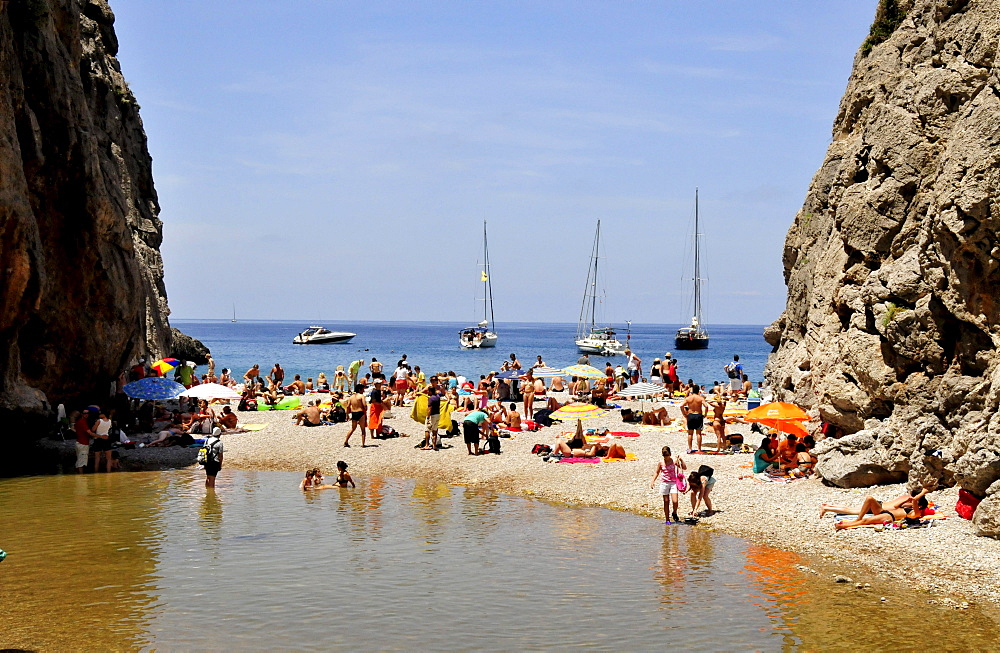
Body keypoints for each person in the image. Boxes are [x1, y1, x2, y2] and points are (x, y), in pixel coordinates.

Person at [833, 490, 930, 529]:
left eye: (915, 502)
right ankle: (858, 518)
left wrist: (922, 493)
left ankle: (845, 525)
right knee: (869, 499)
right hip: (883, 512)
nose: (912, 501)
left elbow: (915, 501)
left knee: (866, 521)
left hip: (888, 517)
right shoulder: (906, 508)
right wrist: (905, 501)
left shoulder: (915, 514)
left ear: (919, 506)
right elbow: (895, 507)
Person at [820, 489, 928, 518]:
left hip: (880, 505)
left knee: (851, 508)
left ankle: (828, 506)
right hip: (879, 506)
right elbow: (895, 506)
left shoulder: (907, 497)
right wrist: (907, 503)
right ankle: (827, 509)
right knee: (851, 511)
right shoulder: (908, 499)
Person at [651, 446, 686, 523]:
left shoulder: (674, 461)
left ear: (670, 454)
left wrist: (681, 460)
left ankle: (674, 512)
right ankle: (667, 519)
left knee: (675, 501)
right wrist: (653, 481)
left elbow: (684, 468)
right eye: (664, 456)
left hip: (673, 482)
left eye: (667, 456)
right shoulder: (661, 463)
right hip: (664, 483)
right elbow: (657, 472)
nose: (666, 457)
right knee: (666, 501)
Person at [681, 384, 706, 453]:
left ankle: (690, 448)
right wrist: (705, 414)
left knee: (690, 433)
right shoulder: (700, 398)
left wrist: (684, 414)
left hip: (690, 415)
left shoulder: (688, 398)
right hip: (698, 415)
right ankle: (699, 449)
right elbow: (706, 406)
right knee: (698, 433)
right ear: (698, 391)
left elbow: (681, 406)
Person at [74, 409, 94, 473]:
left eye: (87, 413)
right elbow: (89, 432)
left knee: (79, 460)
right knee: (81, 462)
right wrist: (101, 436)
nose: (86, 414)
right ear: (81, 414)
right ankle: (81, 477)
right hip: (83, 443)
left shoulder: (79, 421)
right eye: (85, 413)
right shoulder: (82, 422)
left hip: (79, 442)